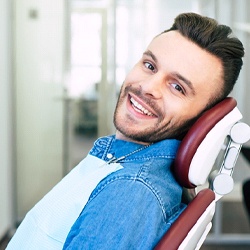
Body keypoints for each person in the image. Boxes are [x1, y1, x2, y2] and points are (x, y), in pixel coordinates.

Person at [7, 12, 244, 249]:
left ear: (201, 120)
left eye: (177, 87)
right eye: (150, 66)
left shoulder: (131, 190)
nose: (148, 87)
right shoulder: (122, 163)